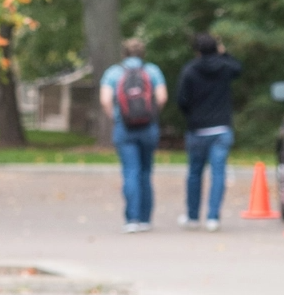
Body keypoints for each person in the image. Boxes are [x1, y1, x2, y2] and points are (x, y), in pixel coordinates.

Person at [176, 32, 243, 231]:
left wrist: (192, 116)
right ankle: (213, 217)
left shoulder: (189, 70)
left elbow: (182, 100)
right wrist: (223, 53)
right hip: (221, 128)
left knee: (195, 173)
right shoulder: (225, 67)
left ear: (196, 50)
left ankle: (193, 216)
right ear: (216, 48)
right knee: (218, 173)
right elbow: (239, 68)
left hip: (197, 130)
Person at [100, 37, 168, 232]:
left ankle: (132, 219)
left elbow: (105, 99)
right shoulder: (152, 71)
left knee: (130, 171)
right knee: (146, 172)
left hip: (125, 128)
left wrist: (116, 116)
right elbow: (162, 97)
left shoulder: (113, 73)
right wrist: (152, 114)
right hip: (148, 127)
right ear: (142, 53)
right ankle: (146, 219)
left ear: (124, 53)